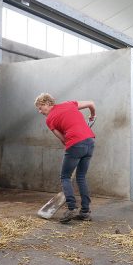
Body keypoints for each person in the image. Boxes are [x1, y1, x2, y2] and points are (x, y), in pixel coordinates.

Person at [35, 93, 96, 223]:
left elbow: (63, 139)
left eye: (40, 108)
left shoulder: (49, 119)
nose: (40, 111)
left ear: (47, 103)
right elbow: (91, 103)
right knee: (81, 177)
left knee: (65, 177)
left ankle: (71, 208)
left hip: (75, 144)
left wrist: (70, 144)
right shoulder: (70, 104)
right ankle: (85, 212)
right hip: (90, 141)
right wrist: (92, 115)